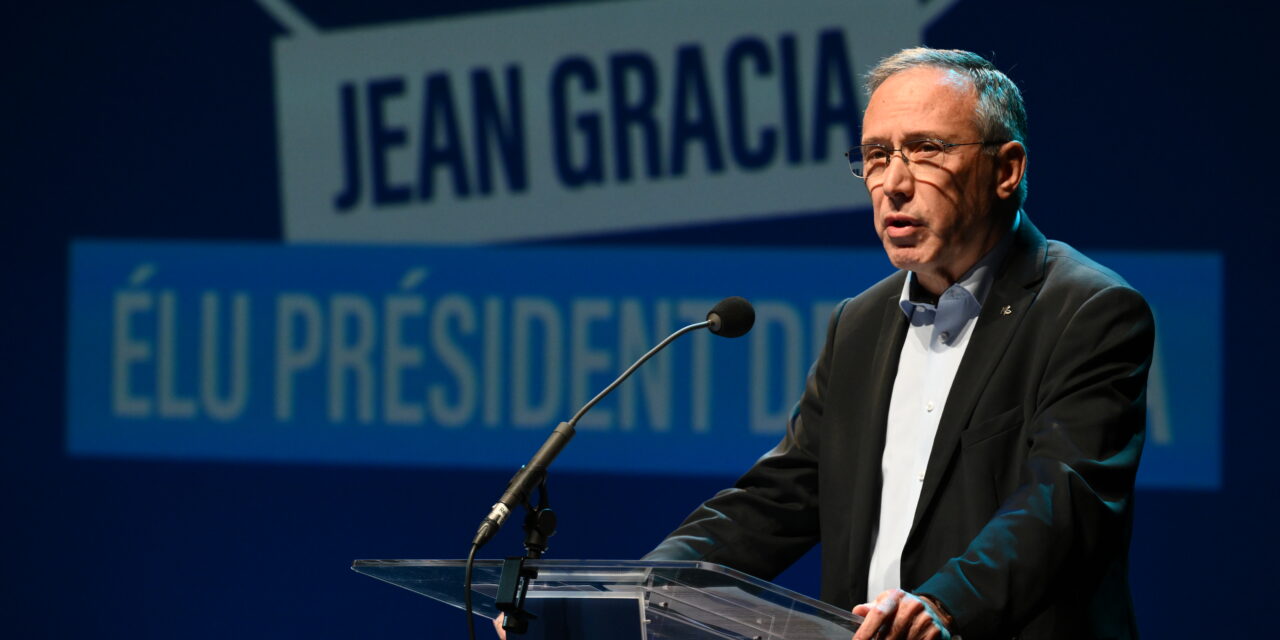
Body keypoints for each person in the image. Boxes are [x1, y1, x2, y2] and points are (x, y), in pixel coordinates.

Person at [644, 48, 1153, 640]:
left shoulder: (1087, 310)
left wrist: (945, 604)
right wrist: (645, 583)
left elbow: (1064, 502)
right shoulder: (859, 323)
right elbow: (781, 496)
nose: (894, 184)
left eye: (926, 150)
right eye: (876, 156)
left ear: (1006, 170)